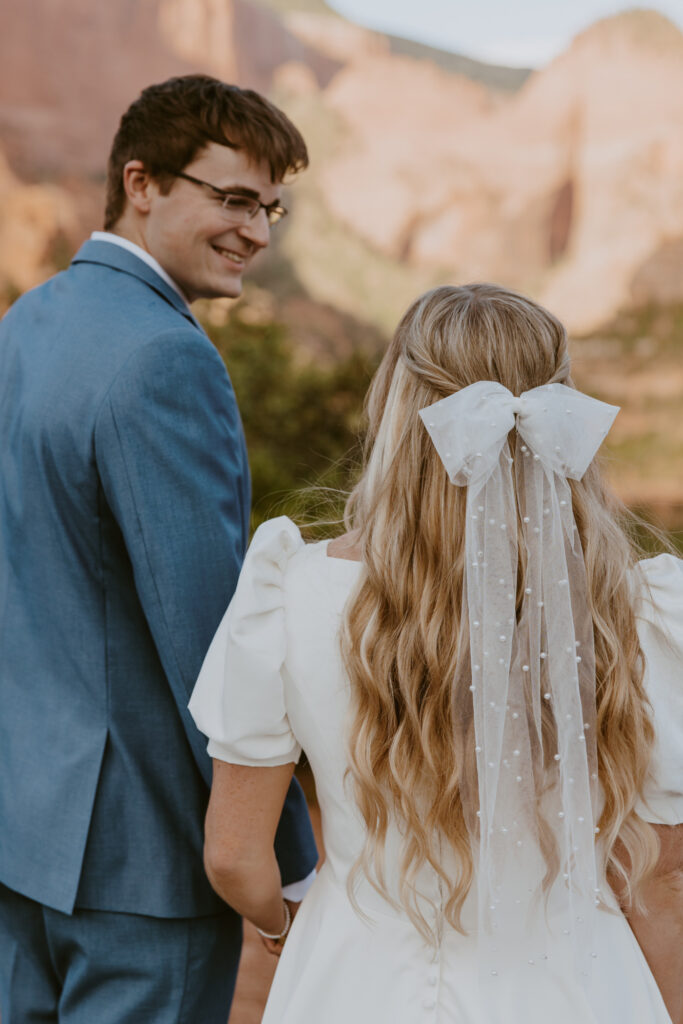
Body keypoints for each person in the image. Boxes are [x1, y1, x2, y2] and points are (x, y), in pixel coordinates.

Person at [189, 283, 682, 1024]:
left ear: (397, 409)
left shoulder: (287, 593)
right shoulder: (632, 610)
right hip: (574, 987)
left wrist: (279, 928)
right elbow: (660, 879)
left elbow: (233, 854)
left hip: (354, 981)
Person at [0, 75, 318, 1023]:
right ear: (141, 183)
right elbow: (209, 644)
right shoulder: (165, 356)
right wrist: (284, 858)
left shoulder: (29, 321)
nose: (257, 232)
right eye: (231, 199)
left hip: (22, 828)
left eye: (269, 208)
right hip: (140, 861)